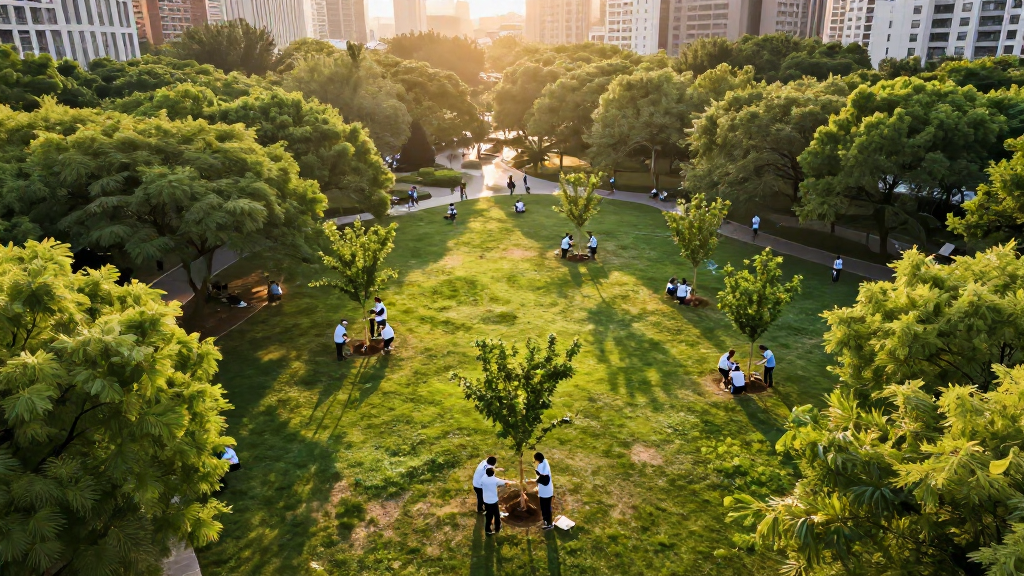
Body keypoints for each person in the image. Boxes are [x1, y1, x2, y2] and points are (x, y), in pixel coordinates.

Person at [480, 468, 511, 535]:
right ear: (493, 473)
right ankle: (497, 528)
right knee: (496, 515)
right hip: (493, 501)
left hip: (486, 500)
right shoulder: (495, 480)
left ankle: (487, 530)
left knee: (489, 515)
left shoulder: (483, 478)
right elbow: (504, 482)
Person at [534, 452, 554, 529]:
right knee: (547, 507)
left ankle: (548, 524)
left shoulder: (543, 475)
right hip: (548, 491)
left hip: (545, 493)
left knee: (545, 508)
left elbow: (541, 477)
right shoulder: (545, 462)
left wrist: (536, 480)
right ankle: (547, 521)